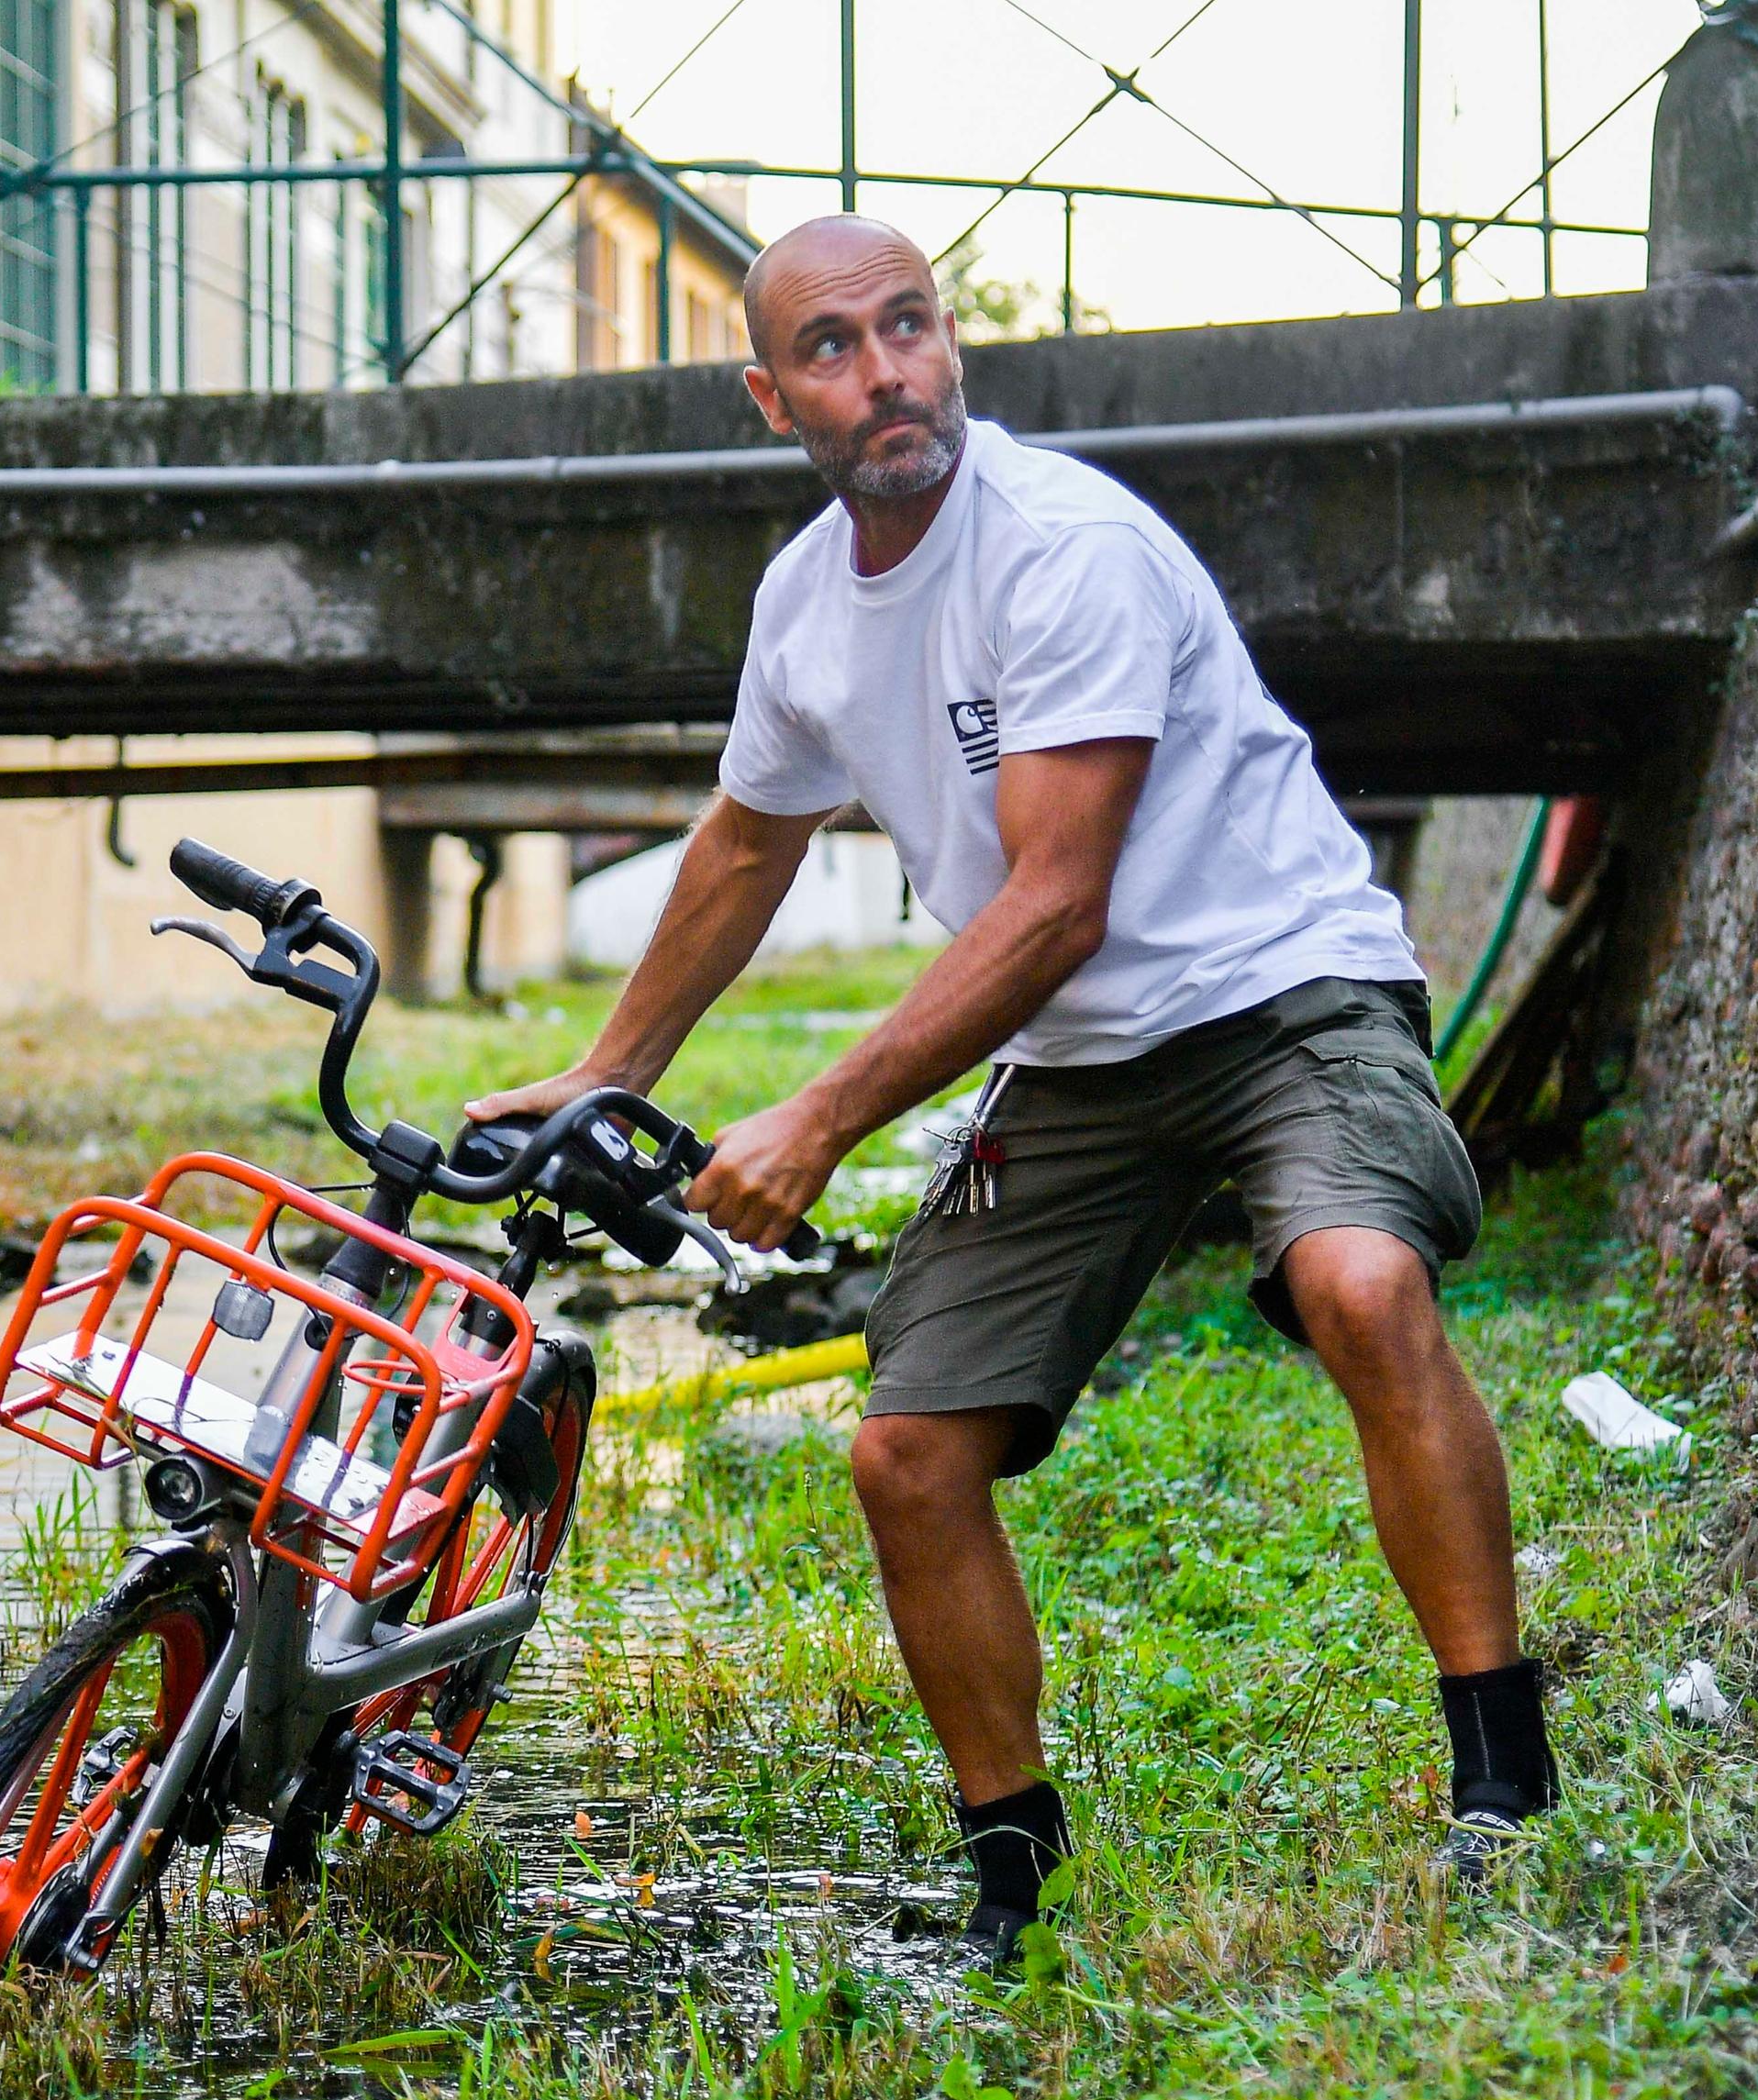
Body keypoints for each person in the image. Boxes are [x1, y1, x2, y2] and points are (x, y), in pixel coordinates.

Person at [467, 217, 1549, 1975]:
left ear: (951, 342)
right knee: (904, 1451)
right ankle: (1015, 1863)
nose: (885, 371)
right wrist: (609, 1071)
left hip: (1280, 985)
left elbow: (1056, 903)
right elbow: (749, 838)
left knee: (1362, 1284)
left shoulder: (1063, 549)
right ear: (770, 394)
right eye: (834, 346)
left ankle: (1502, 1774)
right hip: (1081, 1063)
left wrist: (817, 1117)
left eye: (910, 327)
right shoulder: (807, 604)